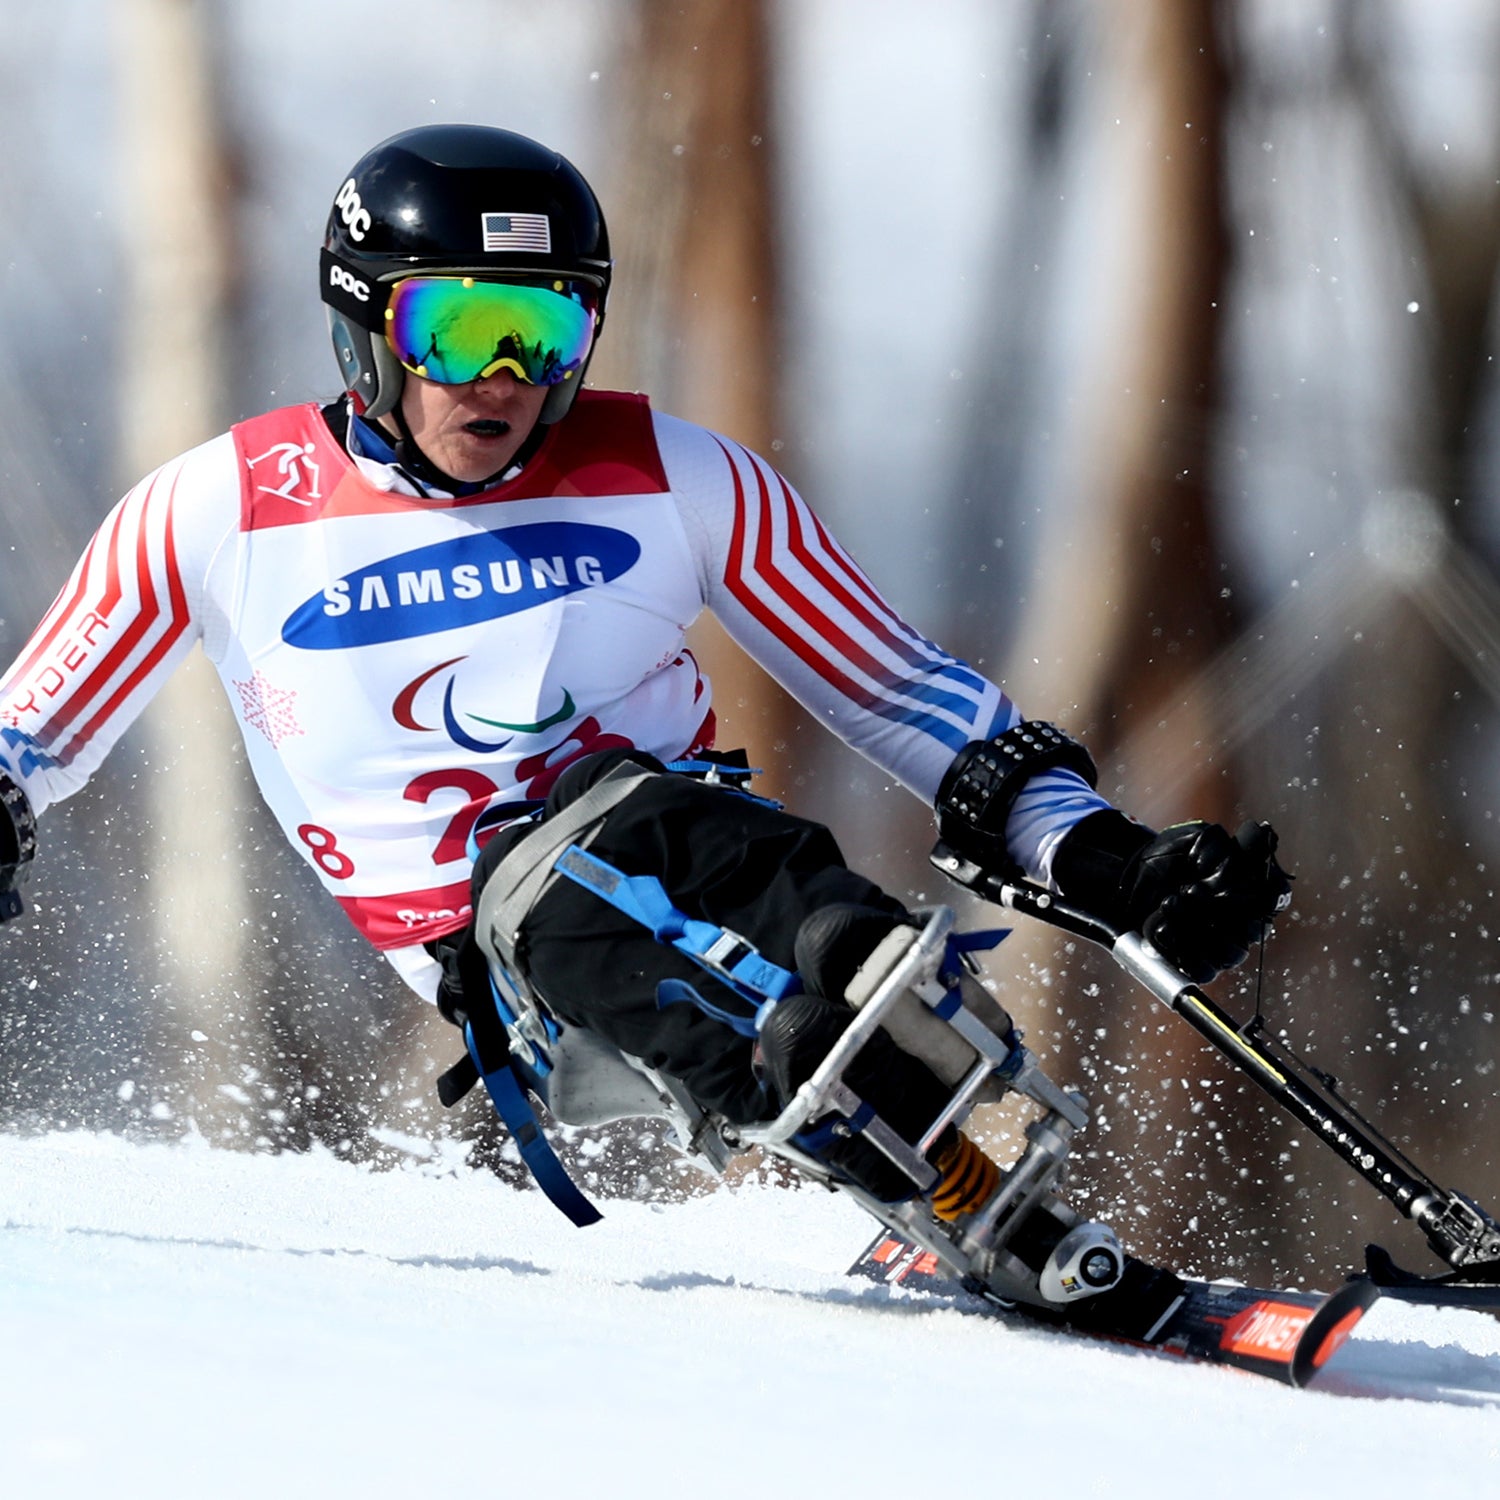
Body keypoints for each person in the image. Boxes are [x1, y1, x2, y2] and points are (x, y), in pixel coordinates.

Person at [0, 125, 1289, 1274]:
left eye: (545, 330)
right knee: (577, 892)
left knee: (729, 873)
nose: (501, 376)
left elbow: (897, 685)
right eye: (457, 329)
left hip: (693, 845)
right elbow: (37, 722)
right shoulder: (220, 510)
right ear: (365, 328)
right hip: (494, 946)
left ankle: (940, 1130)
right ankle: (863, 1112)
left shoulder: (674, 474)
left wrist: (1094, 848)